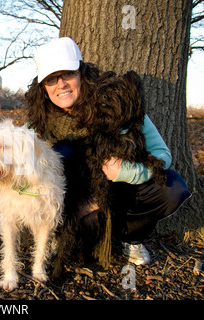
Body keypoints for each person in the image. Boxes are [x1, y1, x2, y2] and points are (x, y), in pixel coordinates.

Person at [25, 37, 191, 265]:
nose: (61, 84)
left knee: (172, 187)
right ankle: (60, 233)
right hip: (74, 205)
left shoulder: (116, 100)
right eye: (51, 79)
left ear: (81, 73)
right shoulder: (39, 122)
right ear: (42, 88)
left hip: (121, 194)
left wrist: (128, 171)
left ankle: (131, 238)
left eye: (68, 74)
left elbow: (162, 154)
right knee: (62, 152)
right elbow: (9, 162)